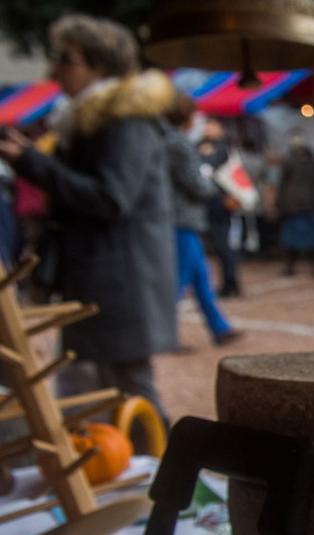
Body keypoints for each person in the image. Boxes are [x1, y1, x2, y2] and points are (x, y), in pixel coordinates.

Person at [0, 14, 177, 423]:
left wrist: (33, 164)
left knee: (130, 394)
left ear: (99, 64)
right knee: (92, 393)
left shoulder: (125, 121)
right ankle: (113, 480)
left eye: (67, 59)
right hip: (98, 279)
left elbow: (110, 198)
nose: (54, 69)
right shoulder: (90, 120)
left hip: (120, 283)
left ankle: (166, 478)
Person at [164, 91, 240, 347]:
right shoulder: (178, 143)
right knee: (180, 280)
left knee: (200, 277)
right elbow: (196, 184)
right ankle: (166, 335)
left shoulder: (170, 140)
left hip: (184, 220)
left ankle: (219, 328)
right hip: (182, 219)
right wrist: (212, 186)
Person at [197, 117, 242, 297]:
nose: (208, 128)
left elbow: (209, 166)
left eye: (212, 125)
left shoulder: (225, 147)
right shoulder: (199, 145)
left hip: (221, 204)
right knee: (215, 246)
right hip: (206, 204)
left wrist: (205, 155)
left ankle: (230, 283)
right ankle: (225, 283)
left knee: (224, 245)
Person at [277, 134, 314, 276]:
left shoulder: (289, 161)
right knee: (313, 237)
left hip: (292, 204)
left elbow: (283, 184)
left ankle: (290, 267)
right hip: (311, 202)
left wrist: (280, 203)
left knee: (291, 238)